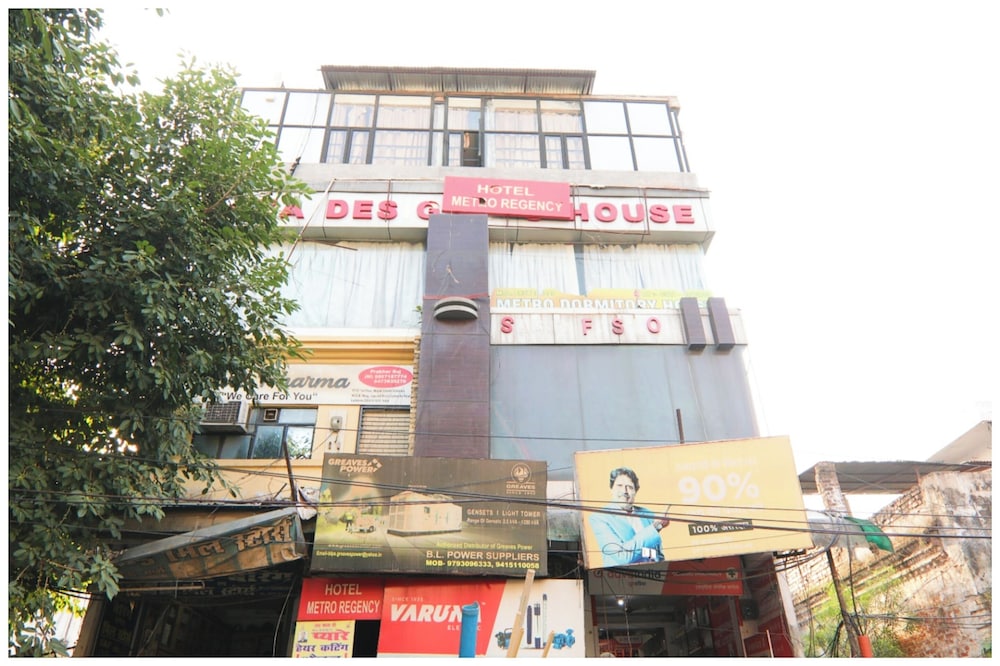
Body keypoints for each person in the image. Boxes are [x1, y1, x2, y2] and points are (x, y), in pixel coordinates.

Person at [588, 467, 669, 566]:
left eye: (629, 487)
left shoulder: (647, 514)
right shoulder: (599, 518)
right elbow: (622, 556)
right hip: (621, 574)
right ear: (611, 489)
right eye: (619, 486)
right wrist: (654, 528)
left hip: (651, 572)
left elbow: (657, 555)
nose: (624, 491)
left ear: (636, 491)